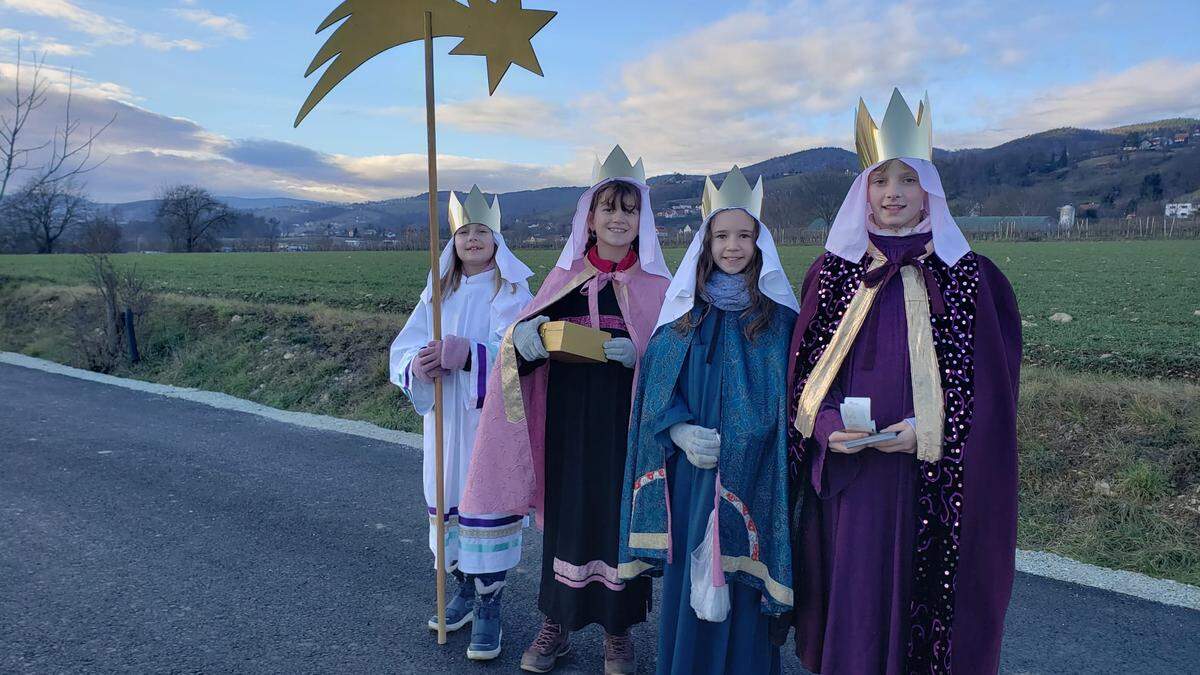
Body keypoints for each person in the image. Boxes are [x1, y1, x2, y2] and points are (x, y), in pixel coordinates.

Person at [785, 89, 1022, 674]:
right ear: (863, 190)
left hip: (932, 479)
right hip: (853, 478)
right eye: (880, 179)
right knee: (858, 600)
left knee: (927, 607)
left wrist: (927, 431)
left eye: (907, 180)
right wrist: (830, 428)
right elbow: (806, 376)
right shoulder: (833, 275)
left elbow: (991, 388)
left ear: (929, 191)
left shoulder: (970, 279)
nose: (893, 192)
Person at [459, 146, 672, 673]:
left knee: (617, 519)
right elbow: (518, 353)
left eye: (630, 210)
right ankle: (555, 623)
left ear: (642, 220)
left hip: (626, 424)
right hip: (568, 423)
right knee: (568, 521)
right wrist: (522, 343)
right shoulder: (564, 279)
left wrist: (641, 355)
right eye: (609, 209)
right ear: (590, 218)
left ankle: (617, 633)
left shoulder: (660, 289)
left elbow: (674, 362)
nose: (619, 218)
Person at [620, 167, 799, 675]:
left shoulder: (779, 320)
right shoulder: (684, 316)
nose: (733, 246)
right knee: (688, 582)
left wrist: (750, 439)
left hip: (754, 478)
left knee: (744, 586)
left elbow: (789, 405)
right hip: (691, 478)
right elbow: (656, 385)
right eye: (722, 236)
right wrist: (676, 428)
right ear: (706, 243)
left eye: (745, 235)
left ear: (760, 243)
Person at [387, 186, 533, 660]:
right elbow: (402, 347)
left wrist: (472, 355)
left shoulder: (512, 291)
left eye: (482, 232)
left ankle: (490, 601)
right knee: (447, 501)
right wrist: (418, 365)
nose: (473, 239)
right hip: (446, 421)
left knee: (485, 504)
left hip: (489, 422)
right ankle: (464, 588)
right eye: (464, 231)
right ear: (452, 241)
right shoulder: (438, 293)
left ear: (497, 240)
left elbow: (524, 357)